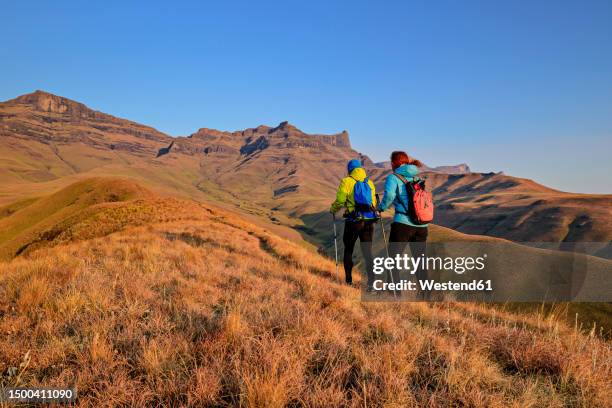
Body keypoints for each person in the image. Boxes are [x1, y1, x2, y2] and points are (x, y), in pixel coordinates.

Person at [378, 151, 429, 298]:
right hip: (421, 225)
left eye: (391, 162)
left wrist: (380, 208)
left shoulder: (393, 177)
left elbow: (389, 196)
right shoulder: (417, 177)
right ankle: (425, 294)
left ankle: (394, 293)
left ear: (394, 163)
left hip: (402, 224)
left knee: (393, 258)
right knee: (420, 260)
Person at [330, 159, 377, 289]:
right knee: (368, 253)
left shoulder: (347, 181)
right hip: (368, 221)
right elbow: (373, 203)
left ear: (350, 170)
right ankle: (372, 284)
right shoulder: (370, 183)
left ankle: (349, 281)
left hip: (353, 221)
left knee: (348, 250)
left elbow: (340, 201)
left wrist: (333, 209)